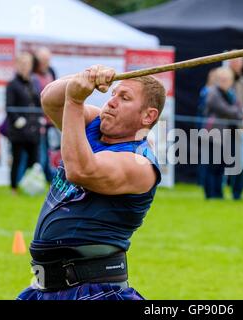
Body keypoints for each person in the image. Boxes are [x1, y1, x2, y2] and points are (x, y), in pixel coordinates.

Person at [17, 65, 165, 300]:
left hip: (94, 291)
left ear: (148, 116)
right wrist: (83, 78)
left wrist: (75, 101)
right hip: (46, 288)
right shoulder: (93, 125)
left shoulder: (139, 163)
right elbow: (50, 99)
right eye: (113, 94)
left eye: (124, 97)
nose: (112, 102)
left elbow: (79, 170)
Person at [203, 67, 243, 199]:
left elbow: (238, 109)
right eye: (222, 79)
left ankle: (219, 194)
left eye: (227, 79)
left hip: (229, 134)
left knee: (221, 167)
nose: (225, 82)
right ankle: (211, 194)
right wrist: (236, 112)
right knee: (212, 166)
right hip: (214, 134)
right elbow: (226, 109)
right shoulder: (212, 93)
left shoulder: (232, 93)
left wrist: (236, 112)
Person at [6, 53, 42, 194]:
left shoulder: (33, 83)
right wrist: (17, 120)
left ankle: (30, 186)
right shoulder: (12, 84)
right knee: (17, 159)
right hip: (19, 131)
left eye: (28, 64)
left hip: (33, 129)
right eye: (23, 64)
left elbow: (38, 103)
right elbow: (9, 106)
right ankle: (13, 188)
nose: (26, 67)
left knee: (33, 161)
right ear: (17, 65)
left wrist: (40, 118)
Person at [32, 47, 58, 183]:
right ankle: (40, 179)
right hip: (38, 121)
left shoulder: (51, 72)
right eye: (43, 60)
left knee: (49, 150)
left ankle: (48, 178)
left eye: (47, 60)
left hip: (51, 120)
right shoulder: (33, 76)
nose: (45, 63)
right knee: (41, 152)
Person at [227, 57, 243, 200]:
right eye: (235, 61)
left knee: (241, 163)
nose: (237, 64)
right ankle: (216, 194)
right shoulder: (221, 77)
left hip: (240, 127)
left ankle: (237, 194)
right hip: (223, 127)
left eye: (240, 61)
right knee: (218, 163)